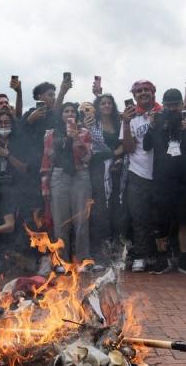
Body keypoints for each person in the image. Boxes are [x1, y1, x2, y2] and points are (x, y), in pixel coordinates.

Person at [145, 89, 186, 274]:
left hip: (184, 179)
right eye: (168, 105)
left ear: (182, 105)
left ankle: (183, 259)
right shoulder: (157, 122)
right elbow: (146, 146)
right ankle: (162, 258)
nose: (172, 108)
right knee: (160, 221)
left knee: (185, 220)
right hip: (161, 179)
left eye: (175, 104)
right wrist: (151, 126)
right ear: (163, 105)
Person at [40, 102, 93, 267]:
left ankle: (82, 259)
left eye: (72, 111)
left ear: (76, 116)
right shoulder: (50, 134)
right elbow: (46, 160)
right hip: (59, 175)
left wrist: (76, 138)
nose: (70, 114)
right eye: (66, 111)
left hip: (80, 175)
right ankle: (62, 260)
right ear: (61, 115)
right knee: (60, 221)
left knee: (82, 220)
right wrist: (45, 186)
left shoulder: (84, 133)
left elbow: (87, 158)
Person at [120, 80, 162, 272]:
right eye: (139, 91)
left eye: (147, 90)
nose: (143, 93)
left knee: (159, 217)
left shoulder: (162, 113)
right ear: (134, 95)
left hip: (161, 172)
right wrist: (126, 123)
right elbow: (128, 148)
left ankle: (158, 256)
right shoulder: (130, 117)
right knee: (138, 217)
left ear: (153, 93)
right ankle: (140, 255)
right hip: (138, 172)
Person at [84, 94, 124, 259]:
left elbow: (124, 145)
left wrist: (114, 154)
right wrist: (110, 154)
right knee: (99, 210)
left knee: (116, 209)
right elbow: (90, 149)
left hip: (117, 169)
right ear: (98, 107)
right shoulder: (93, 124)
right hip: (97, 170)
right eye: (103, 103)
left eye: (109, 103)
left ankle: (115, 250)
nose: (106, 105)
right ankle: (99, 252)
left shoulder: (119, 123)